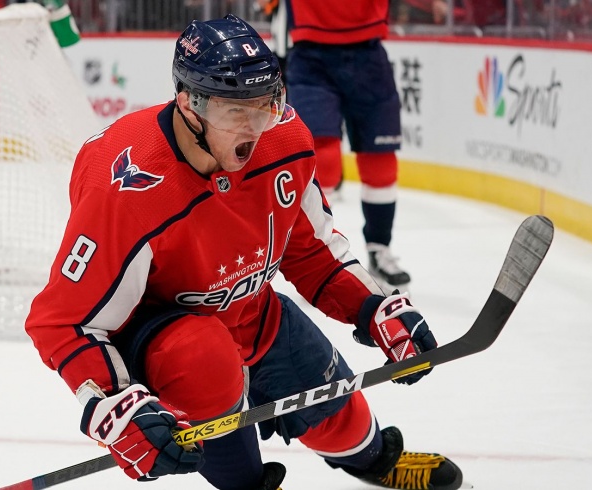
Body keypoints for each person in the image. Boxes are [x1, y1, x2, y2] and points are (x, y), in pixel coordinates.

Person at [24, 15, 462, 490]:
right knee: (204, 359)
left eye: (266, 104)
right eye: (237, 111)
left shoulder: (285, 138)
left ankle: (375, 459)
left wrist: (373, 306)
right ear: (190, 106)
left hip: (252, 310)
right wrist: (114, 403)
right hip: (168, 340)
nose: (257, 128)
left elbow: (312, 252)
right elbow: (62, 321)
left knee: (342, 416)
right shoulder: (125, 185)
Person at [284, 0, 412, 290]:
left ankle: (379, 249)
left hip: (368, 52)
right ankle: (311, 255)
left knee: (381, 165)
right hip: (311, 54)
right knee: (321, 162)